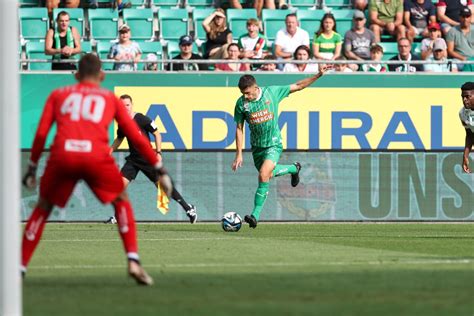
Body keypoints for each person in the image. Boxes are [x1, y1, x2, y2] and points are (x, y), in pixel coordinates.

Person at [20, 54, 173, 285]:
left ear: (77, 75)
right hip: (96, 157)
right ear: (102, 75)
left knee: (42, 208)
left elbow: (41, 133)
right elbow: (136, 137)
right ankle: (133, 260)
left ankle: (20, 267)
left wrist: (32, 167)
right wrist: (159, 167)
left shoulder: (58, 95)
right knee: (121, 201)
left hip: (63, 155)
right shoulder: (109, 99)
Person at [232, 65, 329, 228]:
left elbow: (298, 86)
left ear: (256, 87)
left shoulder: (272, 92)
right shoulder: (241, 104)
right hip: (257, 147)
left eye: (248, 93)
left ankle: (254, 215)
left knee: (263, 174)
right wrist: (239, 154)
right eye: (243, 94)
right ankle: (293, 168)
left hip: (273, 144)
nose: (246, 96)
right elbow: (239, 128)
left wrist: (318, 75)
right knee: (267, 175)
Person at [106, 95, 197, 224]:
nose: (125, 108)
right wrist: (109, 151)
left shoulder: (141, 119)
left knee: (165, 187)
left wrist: (158, 152)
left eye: (127, 105)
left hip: (147, 159)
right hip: (133, 160)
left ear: (132, 105)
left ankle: (188, 209)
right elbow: (120, 138)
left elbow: (157, 134)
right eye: (122, 105)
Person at [459, 81, 474, 173]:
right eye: (463, 97)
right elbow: (470, 135)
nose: (464, 99)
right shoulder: (462, 113)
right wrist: (465, 156)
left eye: (468, 96)